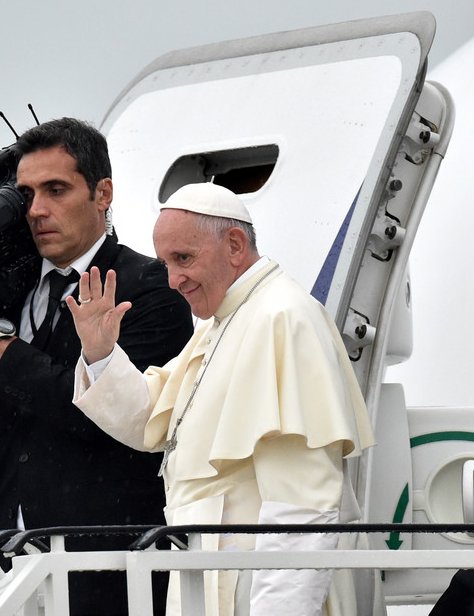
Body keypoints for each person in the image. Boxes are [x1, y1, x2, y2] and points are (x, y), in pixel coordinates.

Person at [0, 118, 193, 615]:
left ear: (102, 193)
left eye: (56, 189)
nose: (37, 210)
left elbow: (99, 420)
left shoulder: (150, 289)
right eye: (25, 193)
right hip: (2, 573)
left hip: (111, 579)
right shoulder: (6, 294)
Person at [66, 182, 376, 616]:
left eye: (183, 259)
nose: (173, 281)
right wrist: (100, 353)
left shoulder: (281, 316)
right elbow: (153, 420)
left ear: (234, 245)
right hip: (212, 577)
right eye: (166, 263)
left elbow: (301, 504)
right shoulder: (223, 322)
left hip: (258, 585)